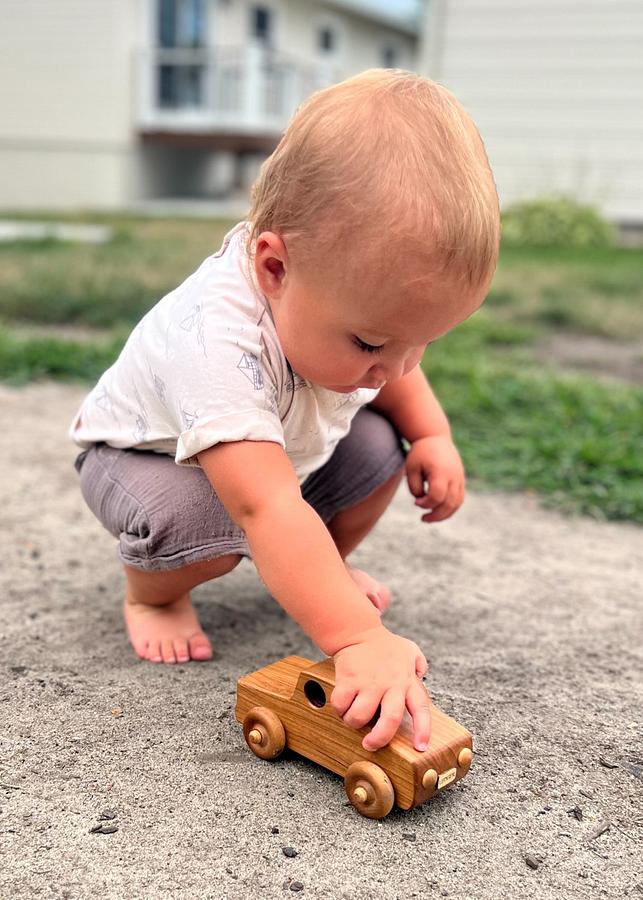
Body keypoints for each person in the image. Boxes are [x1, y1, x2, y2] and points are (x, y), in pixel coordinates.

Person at [69, 68, 500, 754]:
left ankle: (316, 567)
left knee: (379, 447)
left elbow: (390, 373)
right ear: (273, 267)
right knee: (209, 524)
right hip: (141, 460)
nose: (399, 367)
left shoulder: (334, 302)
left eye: (421, 345)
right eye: (371, 342)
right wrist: (355, 637)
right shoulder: (216, 341)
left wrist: (431, 433)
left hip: (275, 453)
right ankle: (151, 593)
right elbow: (262, 507)